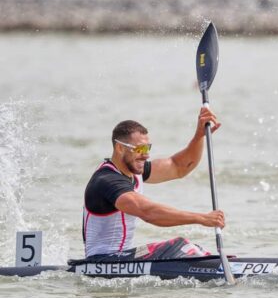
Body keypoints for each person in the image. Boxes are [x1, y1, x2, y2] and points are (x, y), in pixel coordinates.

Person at [82, 108, 225, 260]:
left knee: (188, 249)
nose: (146, 155)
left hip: (122, 258)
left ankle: (219, 262)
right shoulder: (106, 181)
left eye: (147, 147)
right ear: (120, 148)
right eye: (140, 149)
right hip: (101, 261)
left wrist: (199, 136)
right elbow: (148, 212)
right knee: (181, 245)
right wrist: (201, 218)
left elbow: (180, 167)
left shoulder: (136, 170)